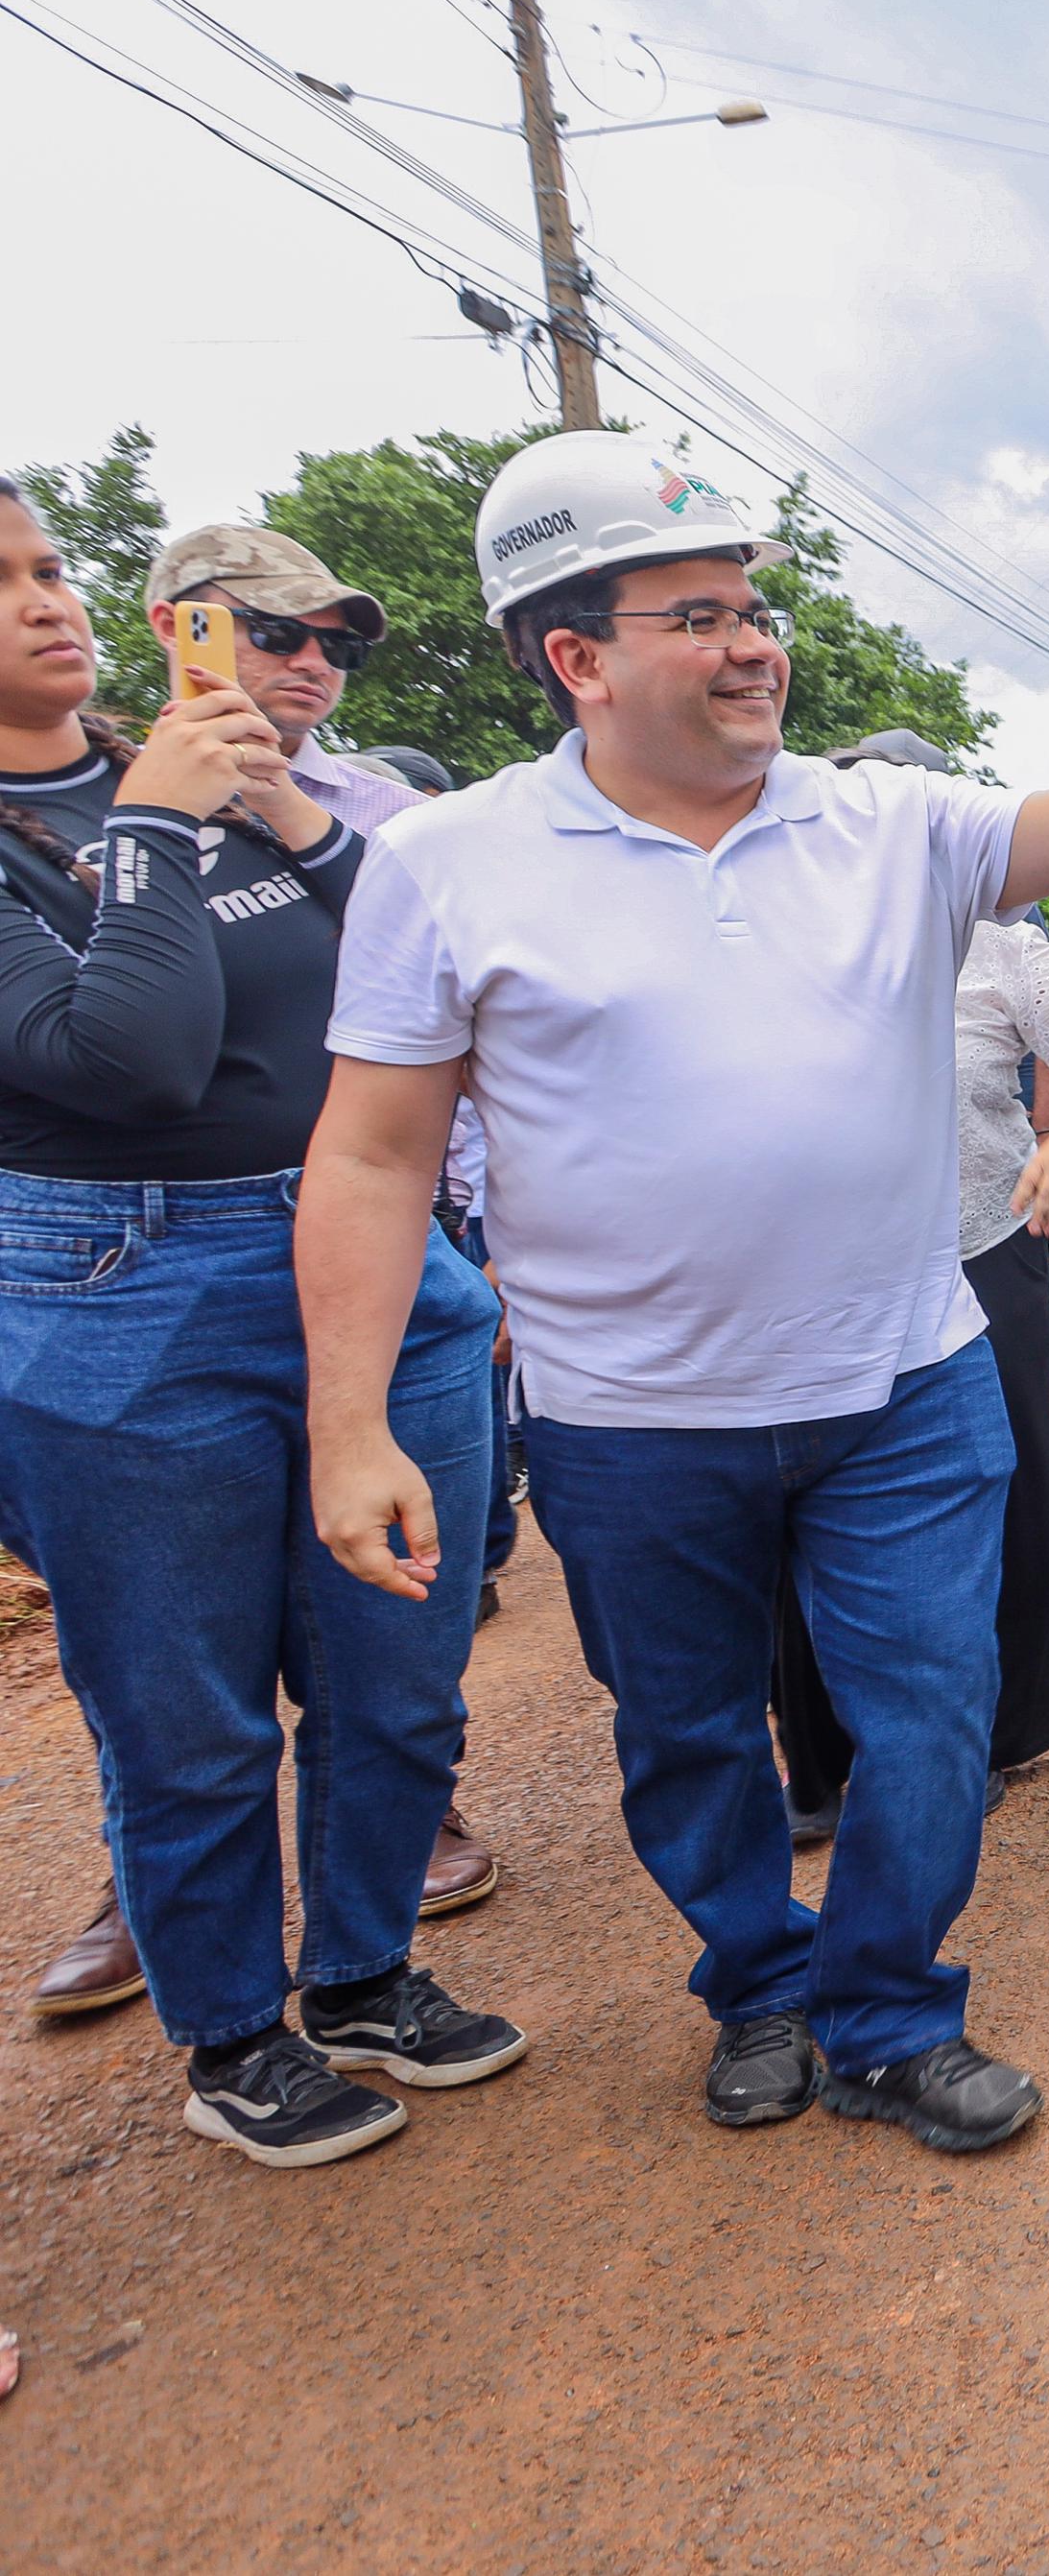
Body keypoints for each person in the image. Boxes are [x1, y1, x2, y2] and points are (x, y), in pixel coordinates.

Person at [296, 433, 1049, 2157]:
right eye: (703, 614)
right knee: (689, 1735)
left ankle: (889, 2006)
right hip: (629, 1421)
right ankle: (758, 1984)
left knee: (931, 1710)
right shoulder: (447, 865)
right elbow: (377, 1157)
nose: (758, 643)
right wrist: (353, 1420)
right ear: (578, 658)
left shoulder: (889, 823)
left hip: (901, 1384)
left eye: (753, 608)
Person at [0, 477, 516, 2163]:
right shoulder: (129, 810)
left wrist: (287, 814)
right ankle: (233, 2029)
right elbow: (126, 1060)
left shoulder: (248, 780)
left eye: (49, 565)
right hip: (126, 1283)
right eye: (1, 583)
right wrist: (154, 827)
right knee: (190, 1708)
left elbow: (418, 959)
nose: (44, 603)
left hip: (362, 1251)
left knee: (397, 1662)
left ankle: (363, 1968)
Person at [146, 523, 509, 1915]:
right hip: (167, 1246)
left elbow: (453, 988)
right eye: (276, 632)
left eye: (334, 642)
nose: (314, 663)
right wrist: (166, 810)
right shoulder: (97, 797)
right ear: (180, 627)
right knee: (187, 1626)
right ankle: (159, 1882)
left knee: (406, 1576)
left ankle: (405, 1818)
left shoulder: (392, 814)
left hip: (404, 1223)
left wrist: (286, 809)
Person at [770, 737, 1049, 1829]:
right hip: (805, 1274)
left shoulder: (999, 950)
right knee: (800, 1508)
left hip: (978, 1253)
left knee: (994, 1491)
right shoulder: (760, 926)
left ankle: (988, 1729)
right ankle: (818, 1756)